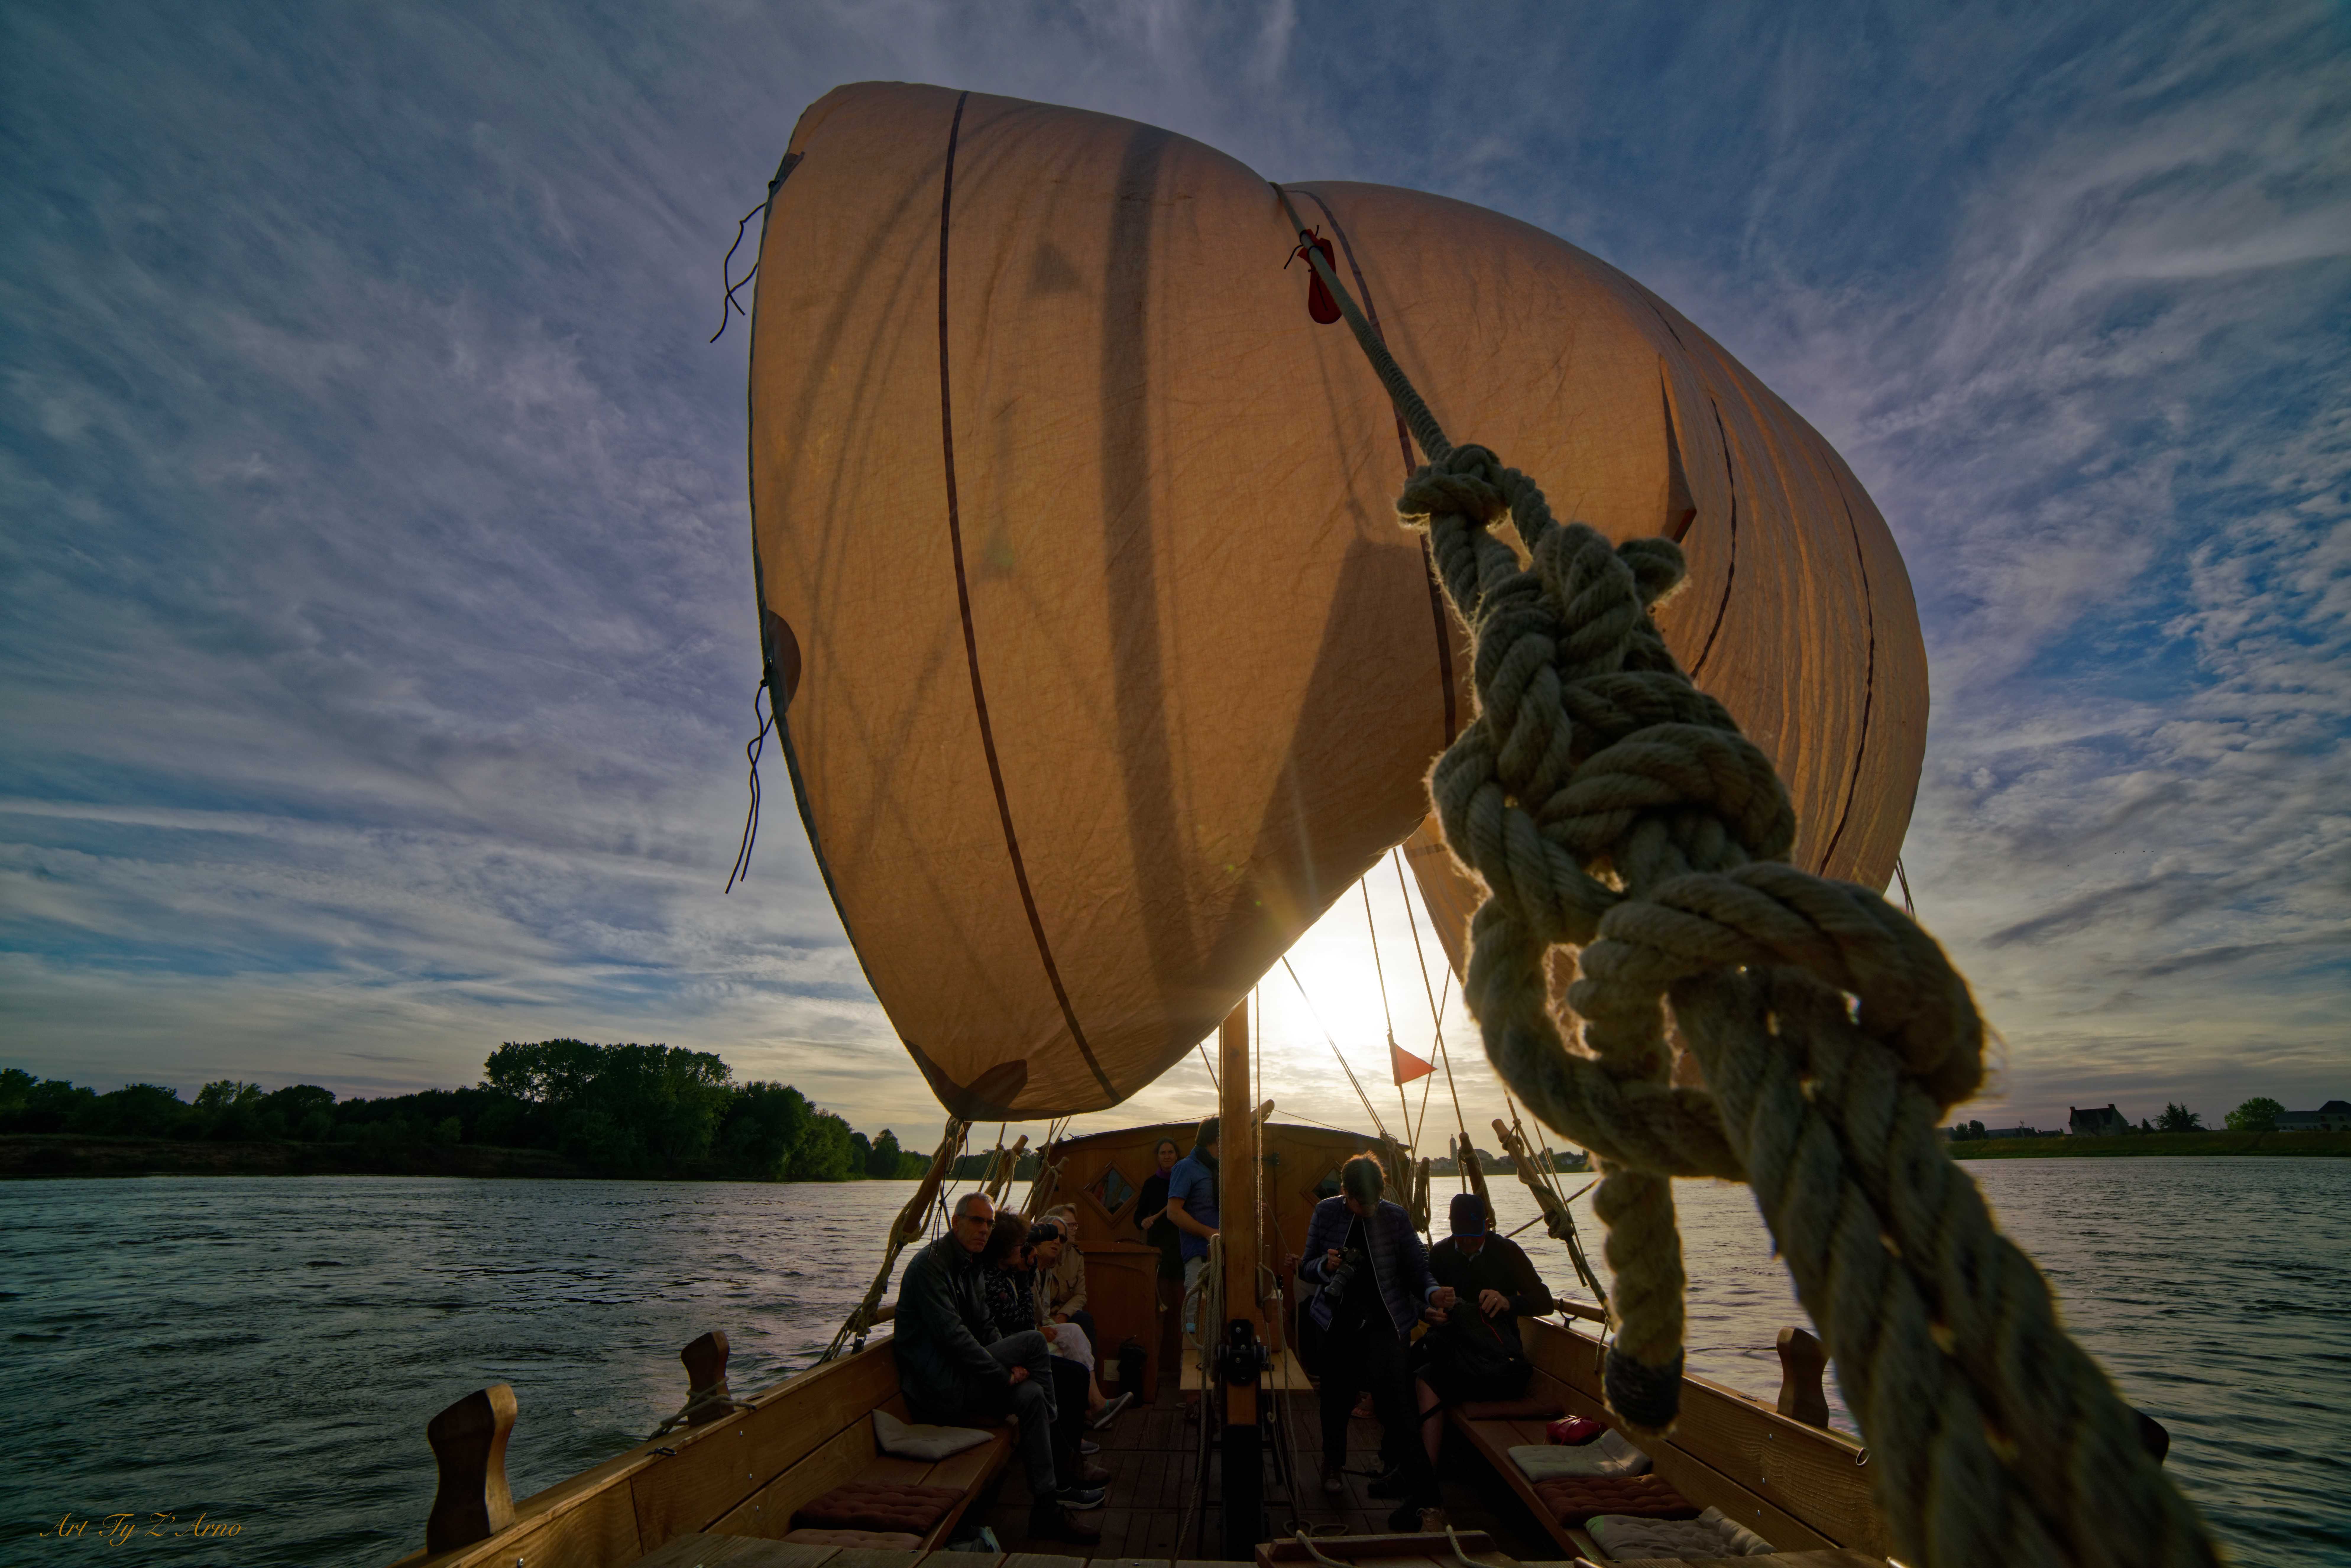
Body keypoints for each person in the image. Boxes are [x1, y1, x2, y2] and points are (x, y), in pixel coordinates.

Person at [894, 1191, 1105, 1544]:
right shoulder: (930, 1267)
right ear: (955, 1222)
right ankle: (1063, 1460)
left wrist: (1009, 1362)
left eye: (990, 1224)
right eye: (977, 1221)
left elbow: (986, 1326)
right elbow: (954, 1339)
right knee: (1036, 1343)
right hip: (938, 1388)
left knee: (1033, 1394)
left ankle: (1047, 1508)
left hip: (966, 1377)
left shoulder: (971, 1264)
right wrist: (1003, 1373)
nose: (984, 1230)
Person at [1296, 1152, 1456, 1530]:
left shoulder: (1395, 1217)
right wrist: (1326, 1266)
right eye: (1360, 1202)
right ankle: (1332, 1463)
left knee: (1398, 1410)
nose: (1367, 1209)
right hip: (1335, 1322)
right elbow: (1306, 1265)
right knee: (1336, 1400)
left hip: (1385, 1324)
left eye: (1372, 1202)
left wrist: (1432, 1294)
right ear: (1346, 1193)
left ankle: (1426, 1499)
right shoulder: (1326, 1213)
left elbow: (1417, 1270)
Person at [1413, 1192, 1552, 1466]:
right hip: (1454, 1350)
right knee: (1404, 1369)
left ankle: (1427, 1470)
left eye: (1474, 1236)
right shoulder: (1440, 1254)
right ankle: (1410, 1457)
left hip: (1497, 1361)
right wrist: (1429, 1312)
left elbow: (1544, 1302)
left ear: (1487, 1225)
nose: (1467, 1243)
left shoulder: (1507, 1252)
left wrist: (1508, 1302)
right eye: (1461, 1236)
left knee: (1427, 1378)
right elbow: (1419, 1297)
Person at [1034, 1213, 1132, 1427]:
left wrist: (1057, 1321)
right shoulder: (1028, 1270)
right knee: (1069, 1357)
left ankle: (1095, 1405)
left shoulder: (1047, 1272)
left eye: (1061, 1238)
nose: (1056, 1242)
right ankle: (1086, 1417)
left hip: (1046, 1324)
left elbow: (1078, 1295)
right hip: (1028, 1335)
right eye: (1051, 1235)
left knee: (1078, 1329)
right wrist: (1040, 1330)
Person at [1132, 1136, 1185, 1391]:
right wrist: (1143, 1222)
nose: (1167, 1156)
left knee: (1185, 1315)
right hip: (1160, 1256)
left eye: (1171, 1152)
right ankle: (1157, 1372)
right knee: (1160, 1315)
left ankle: (1185, 1369)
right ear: (1158, 1157)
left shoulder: (1185, 1183)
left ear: (1177, 1156)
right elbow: (1138, 1216)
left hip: (1184, 1254)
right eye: (1163, 1153)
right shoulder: (1151, 1185)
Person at [1165, 1117, 1221, 1350]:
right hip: (1200, 1258)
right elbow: (1174, 1213)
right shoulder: (1186, 1168)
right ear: (1219, 1139)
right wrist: (1210, 1233)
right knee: (1196, 1320)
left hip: (1228, 1258)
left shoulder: (1220, 1168)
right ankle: (1193, 1382)